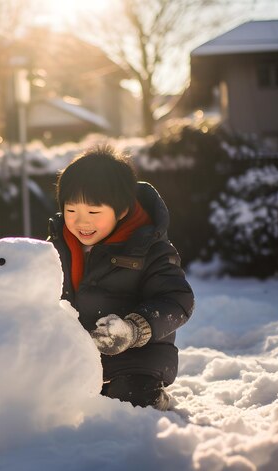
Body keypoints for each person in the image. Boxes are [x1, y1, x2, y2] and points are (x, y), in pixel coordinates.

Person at [47, 146, 194, 410]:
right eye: (71, 211)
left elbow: (177, 299)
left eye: (93, 212)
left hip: (136, 358)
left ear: (122, 210)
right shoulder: (56, 246)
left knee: (127, 401)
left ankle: (155, 399)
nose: (81, 222)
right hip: (72, 356)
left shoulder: (150, 248)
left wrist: (134, 329)